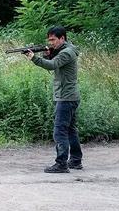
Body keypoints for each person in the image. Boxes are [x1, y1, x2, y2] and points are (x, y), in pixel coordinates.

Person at [26, 26, 83, 173]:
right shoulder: (66, 50)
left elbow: (52, 65)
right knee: (70, 130)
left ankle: (61, 164)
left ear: (62, 38)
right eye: (49, 40)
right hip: (68, 95)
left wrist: (34, 58)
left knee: (59, 131)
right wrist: (47, 54)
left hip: (66, 97)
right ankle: (75, 160)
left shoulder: (67, 52)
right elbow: (54, 62)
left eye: (53, 40)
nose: (51, 43)